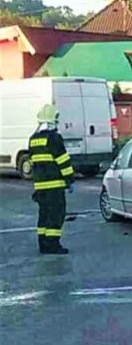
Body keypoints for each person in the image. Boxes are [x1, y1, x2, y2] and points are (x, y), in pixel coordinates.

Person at [29, 104, 75, 254]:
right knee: (56, 215)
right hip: (55, 186)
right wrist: (70, 180)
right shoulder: (54, 138)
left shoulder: (33, 139)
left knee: (44, 215)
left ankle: (43, 243)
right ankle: (53, 244)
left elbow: (32, 163)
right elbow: (63, 161)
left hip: (40, 186)